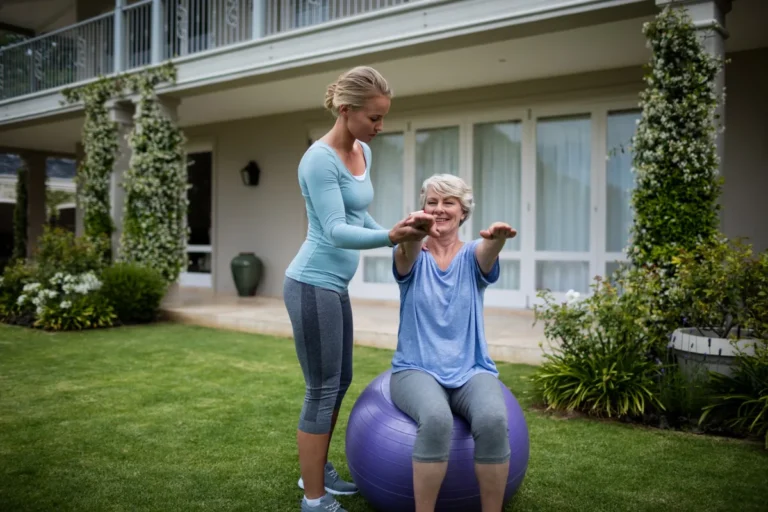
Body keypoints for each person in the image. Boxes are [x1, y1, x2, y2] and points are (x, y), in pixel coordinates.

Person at [283, 66, 437, 512]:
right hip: (311, 283)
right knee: (322, 388)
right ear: (346, 111)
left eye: (383, 117)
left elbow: (358, 219)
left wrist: (399, 229)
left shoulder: (362, 153)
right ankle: (314, 498)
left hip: (334, 286)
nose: (380, 126)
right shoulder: (318, 159)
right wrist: (391, 237)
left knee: (340, 379)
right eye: (374, 117)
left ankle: (315, 468)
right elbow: (334, 230)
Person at [389, 174, 518, 512]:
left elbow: (485, 254)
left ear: (463, 212)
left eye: (449, 202)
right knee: (436, 418)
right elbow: (408, 251)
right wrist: (415, 233)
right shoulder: (409, 253)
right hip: (414, 369)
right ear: (422, 208)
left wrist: (497, 241)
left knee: (492, 419)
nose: (439, 209)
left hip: (471, 368)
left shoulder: (473, 255)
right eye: (432, 202)